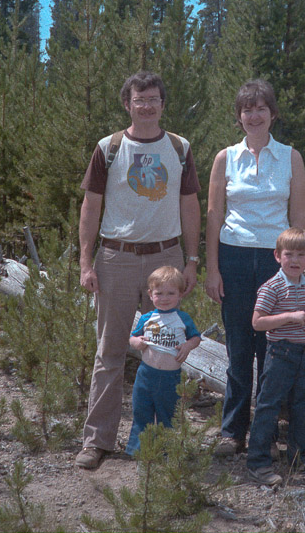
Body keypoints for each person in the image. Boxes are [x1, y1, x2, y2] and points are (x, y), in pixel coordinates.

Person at [76, 71, 202, 471]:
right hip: (116, 258)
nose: (146, 105)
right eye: (138, 99)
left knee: (165, 349)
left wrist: (193, 259)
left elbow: (190, 206)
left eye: (153, 99)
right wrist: (84, 261)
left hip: (166, 258)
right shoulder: (108, 148)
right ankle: (98, 441)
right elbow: (91, 207)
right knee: (111, 351)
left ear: (164, 104)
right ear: (127, 103)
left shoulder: (180, 148)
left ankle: (160, 440)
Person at [204, 79, 305, 456]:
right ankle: (232, 431)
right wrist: (212, 269)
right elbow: (214, 216)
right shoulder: (225, 158)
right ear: (239, 117)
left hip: (275, 260)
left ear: (273, 114)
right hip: (233, 256)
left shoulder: (290, 157)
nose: (254, 115)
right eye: (247, 110)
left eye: (260, 108)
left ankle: (266, 430)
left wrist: (295, 271)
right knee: (238, 346)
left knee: (273, 347)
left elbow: (298, 219)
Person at [246, 228, 305, 486]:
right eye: (288, 254)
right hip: (280, 353)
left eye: (300, 255)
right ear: (277, 256)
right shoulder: (272, 287)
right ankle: (258, 462)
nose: (294, 260)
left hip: (303, 354)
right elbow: (257, 322)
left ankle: (299, 456)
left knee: (300, 406)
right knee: (268, 406)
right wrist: (290, 317)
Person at [126, 266, 202, 455]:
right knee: (142, 412)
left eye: (171, 293)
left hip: (170, 377)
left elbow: (196, 338)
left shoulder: (182, 318)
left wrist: (187, 346)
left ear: (180, 295)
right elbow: (133, 337)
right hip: (146, 374)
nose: (165, 298)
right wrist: (137, 342)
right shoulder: (147, 318)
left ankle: (168, 452)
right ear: (150, 295)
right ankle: (139, 451)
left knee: (168, 415)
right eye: (159, 293)